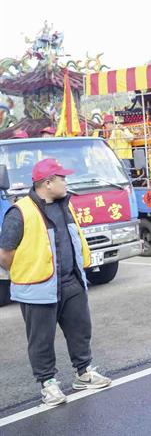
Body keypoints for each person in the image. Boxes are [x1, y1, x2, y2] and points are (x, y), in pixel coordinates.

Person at [0, 159, 112, 406]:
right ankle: (48, 383)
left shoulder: (65, 205)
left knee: (80, 329)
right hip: (38, 286)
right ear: (47, 183)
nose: (66, 182)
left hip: (70, 281)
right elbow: (5, 254)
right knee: (41, 339)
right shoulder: (20, 212)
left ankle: (84, 372)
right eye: (62, 178)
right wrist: (25, 271)